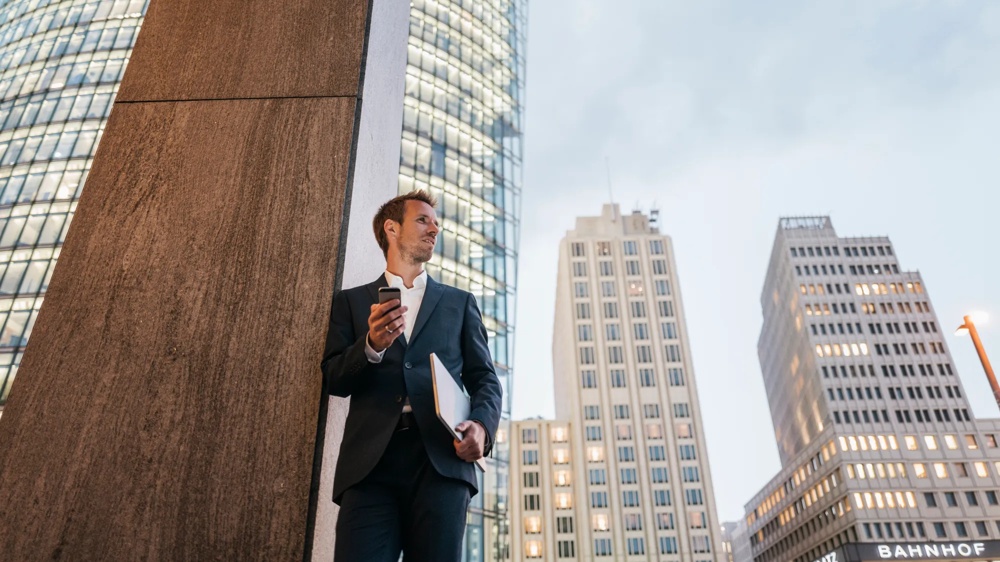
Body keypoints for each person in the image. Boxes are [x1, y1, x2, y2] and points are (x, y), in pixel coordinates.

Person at [321, 190, 502, 562]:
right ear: (391, 228)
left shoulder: (459, 303)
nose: (435, 228)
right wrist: (370, 345)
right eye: (423, 220)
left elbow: (485, 379)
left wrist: (482, 429)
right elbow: (334, 379)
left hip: (440, 462)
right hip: (370, 468)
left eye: (436, 222)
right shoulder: (350, 303)